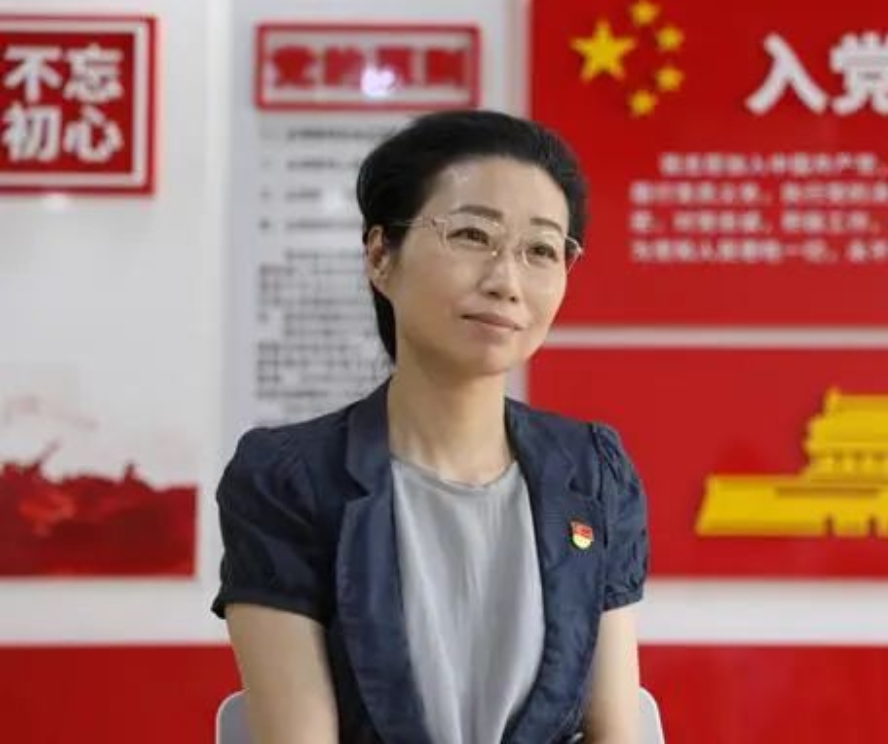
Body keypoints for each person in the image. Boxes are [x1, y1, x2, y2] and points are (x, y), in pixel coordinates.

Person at [211, 109, 649, 744]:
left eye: (540, 250)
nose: (506, 282)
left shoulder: (592, 473)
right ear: (380, 256)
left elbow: (615, 731)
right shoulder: (290, 479)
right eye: (472, 235)